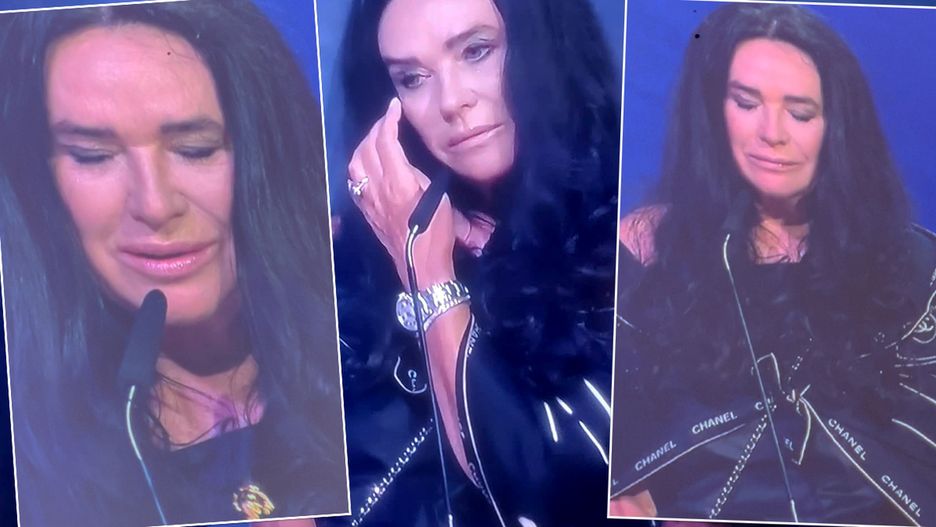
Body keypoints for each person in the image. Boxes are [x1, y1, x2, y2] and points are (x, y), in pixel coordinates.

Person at [0, 2, 345, 526]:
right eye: (94, 156)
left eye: (195, 149)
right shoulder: (31, 462)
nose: (156, 205)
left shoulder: (371, 356)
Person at [611, 4, 936, 525]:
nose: (771, 133)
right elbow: (612, 463)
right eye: (746, 103)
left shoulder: (915, 270)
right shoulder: (648, 252)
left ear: (838, 127)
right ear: (714, 111)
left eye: (800, 113)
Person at [328, 0, 631, 525]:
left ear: (543, 44)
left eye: (476, 51)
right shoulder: (344, 268)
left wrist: (427, 272)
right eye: (412, 78)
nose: (452, 102)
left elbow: (544, 498)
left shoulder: (630, 242)